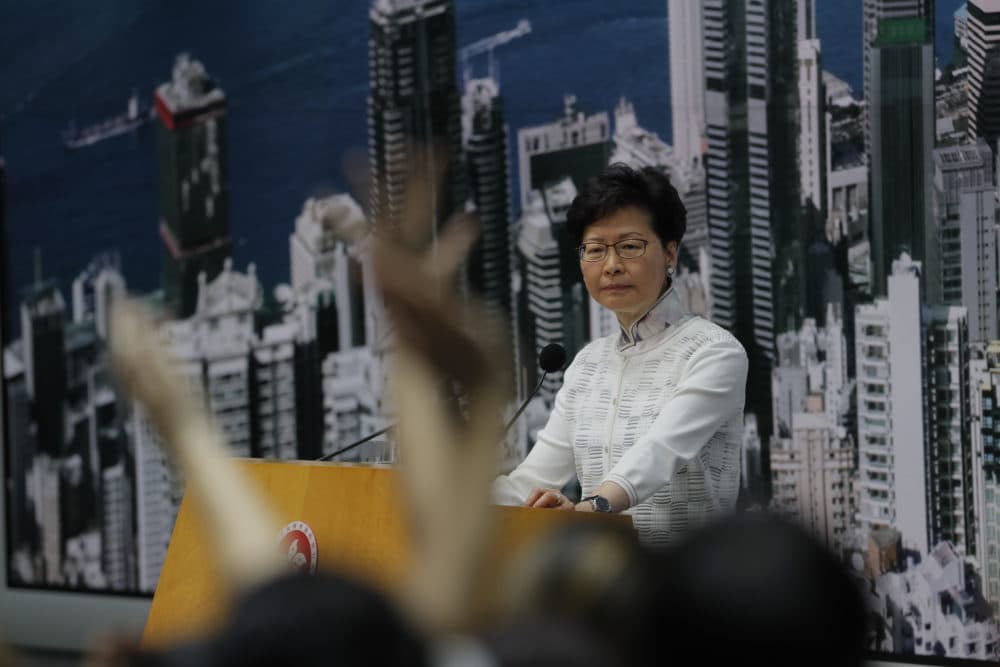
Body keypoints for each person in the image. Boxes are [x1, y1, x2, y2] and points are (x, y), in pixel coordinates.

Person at [492, 163, 748, 545]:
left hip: (695, 589)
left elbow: (659, 452)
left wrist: (587, 509)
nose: (611, 265)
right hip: (608, 591)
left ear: (670, 254)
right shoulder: (586, 366)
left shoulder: (714, 352)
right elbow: (531, 482)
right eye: (595, 250)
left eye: (629, 246)